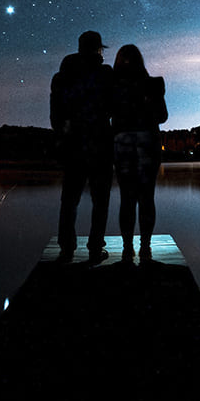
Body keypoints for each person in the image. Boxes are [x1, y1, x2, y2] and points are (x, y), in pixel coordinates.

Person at [50, 30, 114, 264]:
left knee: (69, 200)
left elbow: (55, 114)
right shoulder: (105, 74)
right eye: (100, 49)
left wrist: (62, 135)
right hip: (100, 144)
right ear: (97, 49)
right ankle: (95, 248)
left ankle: (67, 248)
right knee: (100, 200)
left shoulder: (62, 76)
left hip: (73, 145)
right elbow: (112, 108)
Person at [111, 44, 168, 264]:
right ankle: (145, 247)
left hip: (123, 143)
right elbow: (162, 117)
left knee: (127, 198)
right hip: (147, 142)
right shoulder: (154, 84)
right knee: (146, 197)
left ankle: (127, 250)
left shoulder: (112, 87)